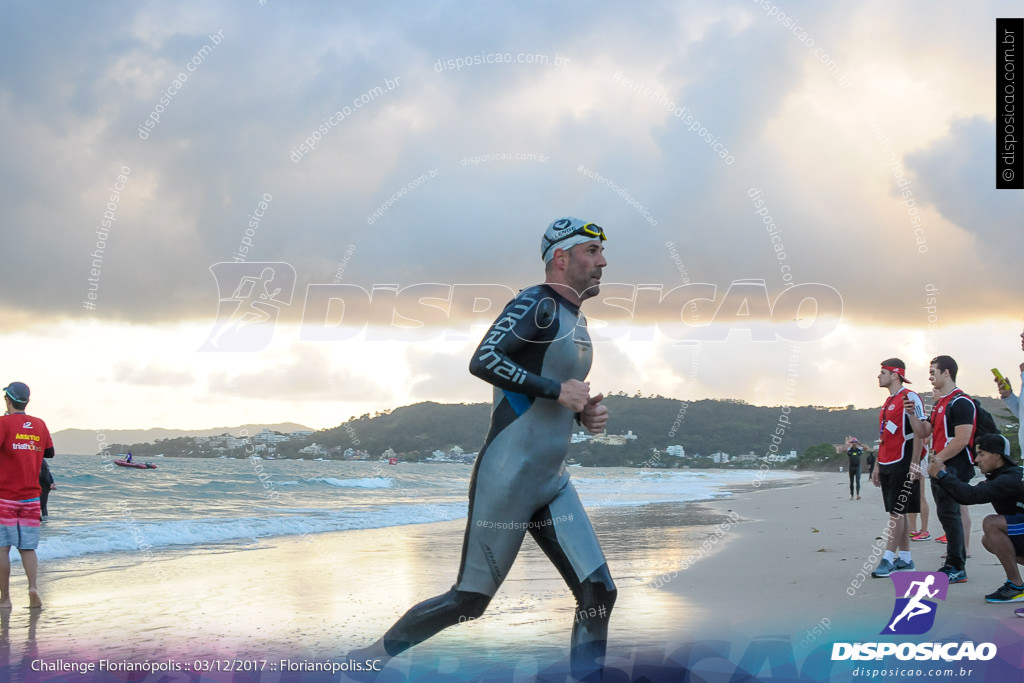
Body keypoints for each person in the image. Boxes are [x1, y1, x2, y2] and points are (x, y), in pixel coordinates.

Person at [351, 218, 614, 681]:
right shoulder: (537, 304)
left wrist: (583, 414)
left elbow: (550, 394)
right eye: (591, 252)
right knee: (469, 602)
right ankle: (365, 659)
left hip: (551, 481)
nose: (602, 261)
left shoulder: (578, 319)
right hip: (508, 478)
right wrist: (558, 392)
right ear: (561, 257)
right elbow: (485, 359)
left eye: (601, 253)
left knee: (598, 592)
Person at [928, 434, 1024, 603]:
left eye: (981, 454)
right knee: (989, 540)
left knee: (991, 524)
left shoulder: (1009, 478)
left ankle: (1016, 586)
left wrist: (942, 475)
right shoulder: (999, 476)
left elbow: (970, 496)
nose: (976, 460)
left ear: (997, 455)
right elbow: (966, 494)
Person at [909, 356, 976, 584]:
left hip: (954, 467)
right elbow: (923, 431)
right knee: (947, 516)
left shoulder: (961, 402)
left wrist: (936, 461)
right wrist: (911, 414)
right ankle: (953, 564)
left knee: (951, 515)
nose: (930, 376)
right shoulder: (939, 403)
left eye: (933, 372)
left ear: (946, 373)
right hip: (939, 467)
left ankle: (957, 567)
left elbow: (962, 439)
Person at [870, 359, 926, 578]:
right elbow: (884, 436)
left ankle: (887, 558)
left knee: (897, 512)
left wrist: (915, 463)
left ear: (895, 374)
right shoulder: (887, 401)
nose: (878, 376)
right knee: (897, 512)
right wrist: (876, 464)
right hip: (886, 462)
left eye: (882, 372)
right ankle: (905, 559)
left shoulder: (910, 397)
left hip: (903, 462)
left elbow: (920, 432)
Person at [0, 382, 53, 609]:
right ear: (27, 401)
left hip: (5, 496)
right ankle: (33, 587)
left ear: (8, 400)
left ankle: (5, 599)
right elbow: (49, 452)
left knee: (2, 548)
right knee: (27, 548)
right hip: (31, 497)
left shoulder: (3, 423)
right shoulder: (40, 424)